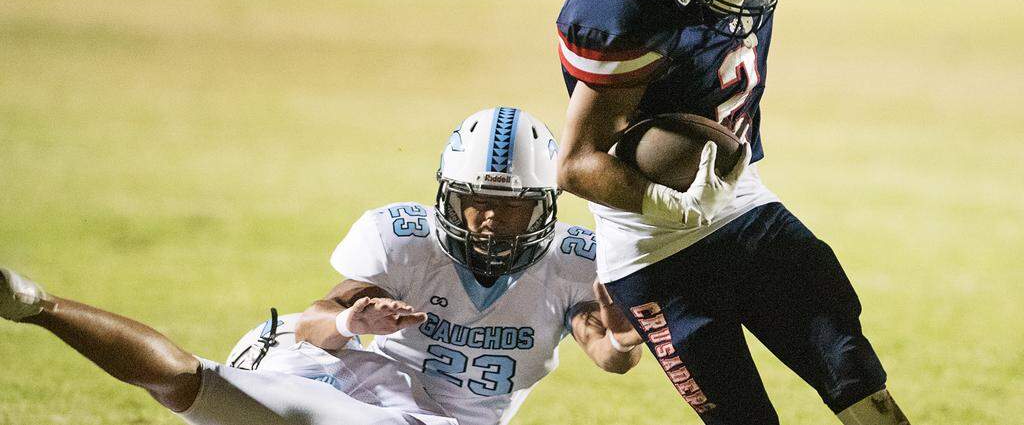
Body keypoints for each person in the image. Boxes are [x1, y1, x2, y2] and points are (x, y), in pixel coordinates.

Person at [554, 0, 967, 425]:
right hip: (652, 242)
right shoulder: (622, 12)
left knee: (852, 370)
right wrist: (669, 204)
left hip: (741, 200)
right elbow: (577, 165)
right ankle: (602, 325)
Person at [1, 107, 640, 425]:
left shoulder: (573, 262)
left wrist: (623, 332)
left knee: (203, 390)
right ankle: (40, 307)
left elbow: (610, 353)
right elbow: (313, 325)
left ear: (546, 206)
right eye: (476, 204)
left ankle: (36, 305)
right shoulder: (404, 240)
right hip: (333, 366)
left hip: (418, 414)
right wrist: (355, 319)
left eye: (511, 207)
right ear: (448, 196)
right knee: (200, 387)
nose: (491, 222)